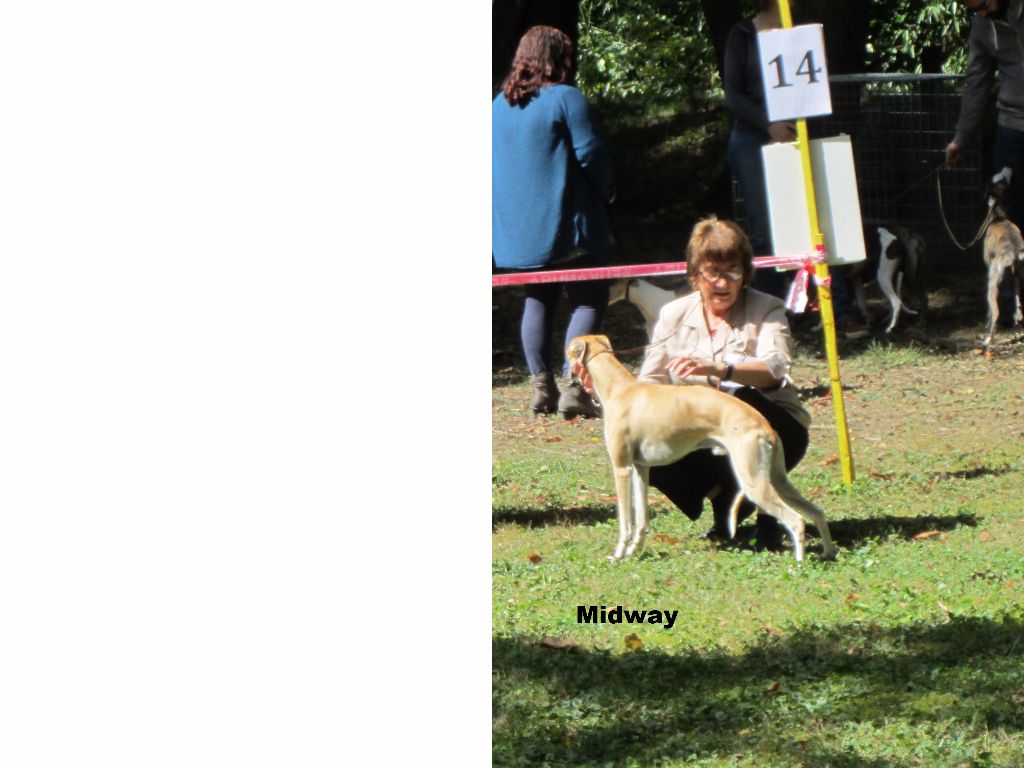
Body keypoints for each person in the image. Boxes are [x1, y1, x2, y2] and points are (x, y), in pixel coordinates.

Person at [638, 217, 812, 549]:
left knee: (746, 398)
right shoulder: (673, 315)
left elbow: (776, 367)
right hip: (703, 435)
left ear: (746, 274)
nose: (723, 282)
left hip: (775, 427)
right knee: (642, 440)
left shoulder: (767, 307)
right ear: (694, 275)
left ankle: (769, 516)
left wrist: (722, 369)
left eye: (732, 271)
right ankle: (724, 498)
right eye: (712, 272)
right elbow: (649, 381)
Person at [722, 0, 868, 338]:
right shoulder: (741, 35)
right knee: (764, 233)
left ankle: (838, 311)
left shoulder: (803, 32)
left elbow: (812, 87)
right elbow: (734, 95)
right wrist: (768, 125)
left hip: (800, 137)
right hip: (752, 142)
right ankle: (773, 317)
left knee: (818, 225)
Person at [492, 25, 615, 419]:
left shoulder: (496, 106)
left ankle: (541, 387)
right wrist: (609, 189)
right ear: (556, 58)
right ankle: (575, 388)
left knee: (538, 297)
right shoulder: (565, 98)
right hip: (567, 226)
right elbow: (591, 151)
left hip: (519, 232)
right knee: (589, 297)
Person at [946, 0, 1024, 322]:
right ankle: (1012, 307)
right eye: (970, 8)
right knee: (1011, 219)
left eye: (981, 4)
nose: (978, 12)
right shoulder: (982, 27)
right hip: (1013, 130)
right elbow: (976, 83)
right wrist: (961, 138)